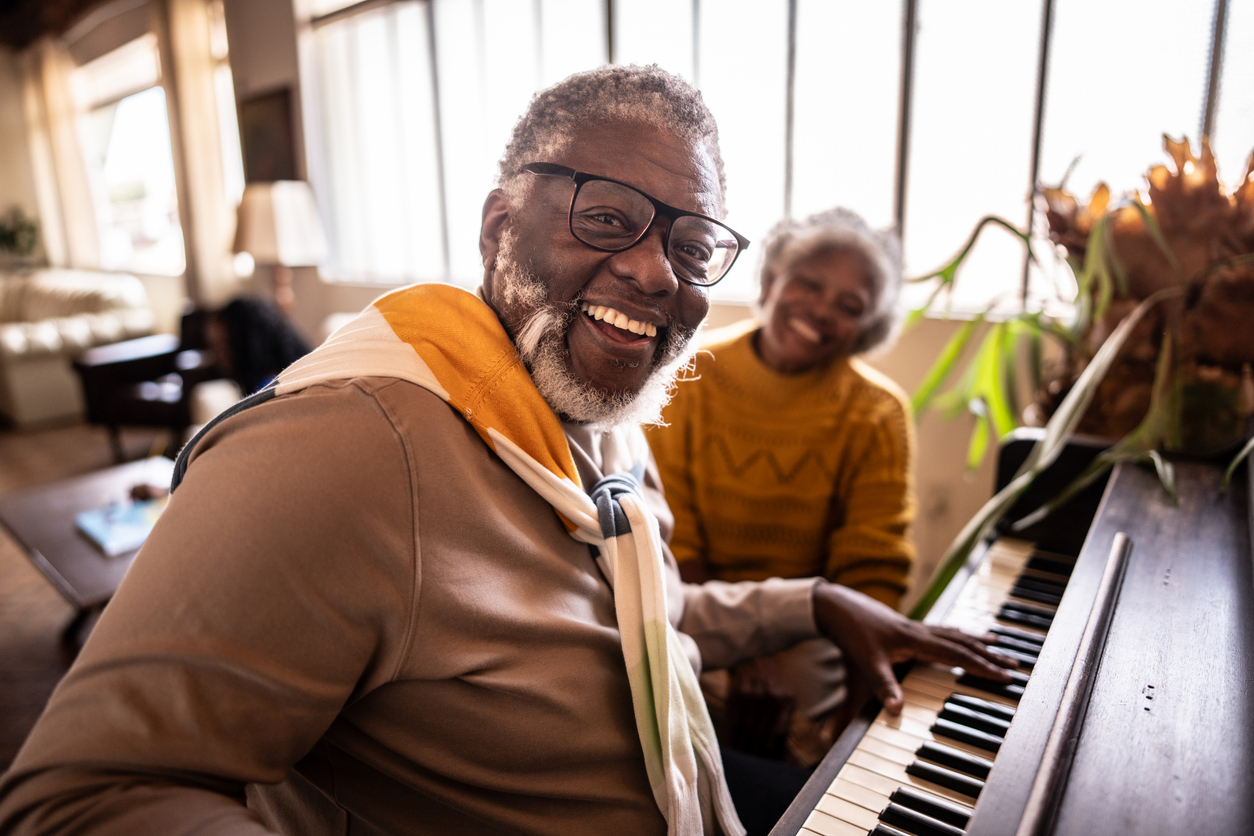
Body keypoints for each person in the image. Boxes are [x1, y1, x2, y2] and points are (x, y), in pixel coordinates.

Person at [0, 66, 1010, 836]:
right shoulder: (350, 442)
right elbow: (84, 791)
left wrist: (816, 603)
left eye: (693, 246)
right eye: (606, 216)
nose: (657, 270)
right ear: (498, 228)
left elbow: (637, 615)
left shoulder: (597, 411)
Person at [647, 208, 913, 767]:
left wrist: (855, 721)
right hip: (694, 603)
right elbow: (674, 541)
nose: (821, 310)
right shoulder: (690, 374)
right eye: (809, 284)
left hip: (813, 623)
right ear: (770, 282)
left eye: (850, 306)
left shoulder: (877, 413)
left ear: (867, 329)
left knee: (808, 735)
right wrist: (743, 658)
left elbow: (872, 569)